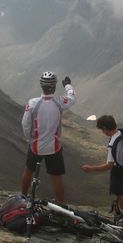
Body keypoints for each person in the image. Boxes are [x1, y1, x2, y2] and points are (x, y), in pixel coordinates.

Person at [21, 72, 75, 203]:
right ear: (55, 86)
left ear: (41, 86)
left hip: (36, 146)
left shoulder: (33, 103)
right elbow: (72, 98)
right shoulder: (60, 102)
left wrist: (30, 140)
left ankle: (22, 197)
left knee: (28, 170)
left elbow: (25, 124)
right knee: (56, 177)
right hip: (53, 147)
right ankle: (60, 205)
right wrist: (68, 85)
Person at [81, 115, 123, 213]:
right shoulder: (121, 133)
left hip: (119, 172)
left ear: (104, 128)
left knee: (122, 196)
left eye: (101, 130)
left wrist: (91, 168)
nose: (102, 132)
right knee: (121, 195)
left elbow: (109, 165)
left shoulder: (113, 142)